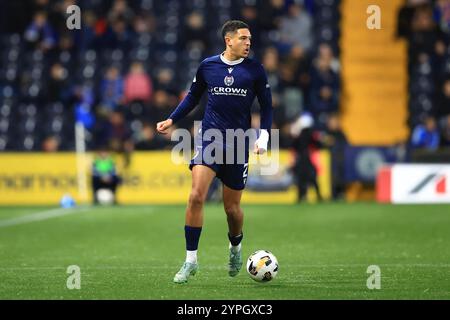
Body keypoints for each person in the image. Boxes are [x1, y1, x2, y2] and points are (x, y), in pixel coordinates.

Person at [156, 20, 273, 284]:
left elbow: (267, 107)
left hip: (238, 142)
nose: (248, 43)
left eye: (250, 39)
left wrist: (264, 136)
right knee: (196, 196)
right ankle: (190, 261)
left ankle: (235, 247)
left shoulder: (255, 70)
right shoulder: (208, 66)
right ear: (228, 40)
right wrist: (171, 119)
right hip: (209, 139)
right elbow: (192, 97)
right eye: (243, 38)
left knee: (232, 210)